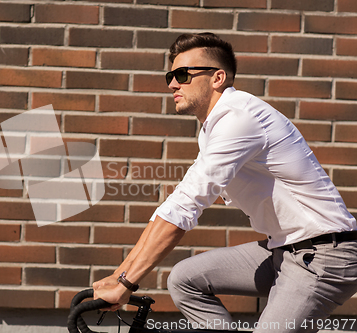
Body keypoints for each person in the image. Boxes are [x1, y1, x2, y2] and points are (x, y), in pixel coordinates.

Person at [92, 32, 357, 333]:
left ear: (217, 77)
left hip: (323, 257)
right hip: (284, 251)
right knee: (185, 279)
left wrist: (127, 282)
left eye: (182, 74)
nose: (172, 84)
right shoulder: (213, 129)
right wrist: (120, 276)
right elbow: (174, 204)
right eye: (170, 75)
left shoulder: (238, 119)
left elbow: (185, 207)